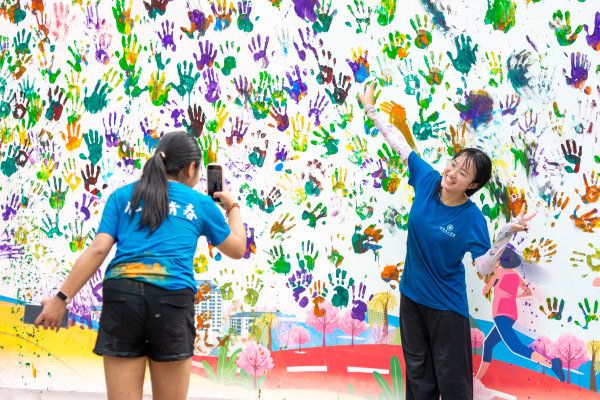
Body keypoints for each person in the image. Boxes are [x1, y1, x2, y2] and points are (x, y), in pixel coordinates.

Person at [34, 131, 247, 400]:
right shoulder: (200, 204)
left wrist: (61, 299)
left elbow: (98, 249)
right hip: (171, 300)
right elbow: (237, 248)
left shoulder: (122, 196)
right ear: (191, 168)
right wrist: (232, 206)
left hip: (123, 297)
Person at [359, 82, 533, 400]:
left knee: (453, 386)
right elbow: (398, 142)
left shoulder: (472, 219)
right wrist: (370, 108)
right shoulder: (428, 181)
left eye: (463, 173)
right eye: (453, 163)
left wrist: (504, 236)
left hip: (446, 310)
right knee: (419, 379)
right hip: (412, 299)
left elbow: (483, 267)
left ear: (473, 185)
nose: (452, 172)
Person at [476, 244, 565, 382]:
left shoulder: (499, 272)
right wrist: (515, 296)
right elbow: (528, 292)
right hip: (512, 314)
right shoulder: (516, 276)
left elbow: (485, 291)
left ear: (501, 261)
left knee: (515, 347)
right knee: (488, 344)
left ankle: (552, 364)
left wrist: (491, 283)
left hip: (500, 312)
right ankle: (478, 379)